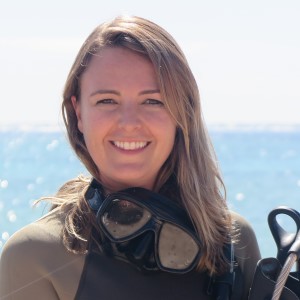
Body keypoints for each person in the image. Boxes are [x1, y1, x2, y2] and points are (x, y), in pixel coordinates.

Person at [0, 15, 261, 300]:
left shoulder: (233, 238)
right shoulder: (35, 255)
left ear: (182, 114)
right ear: (79, 114)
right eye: (107, 101)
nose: (129, 122)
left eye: (153, 101)